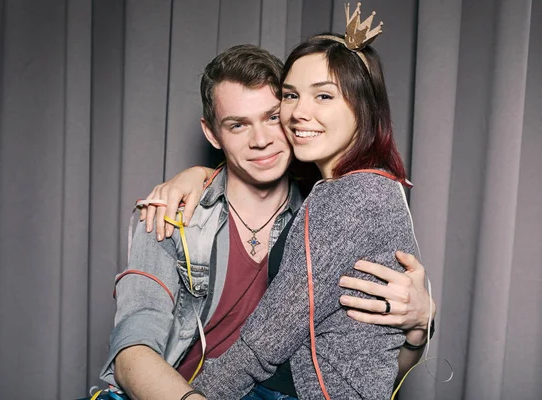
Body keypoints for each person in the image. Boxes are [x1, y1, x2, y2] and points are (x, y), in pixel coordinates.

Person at [100, 40, 433, 400]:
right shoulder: (173, 215)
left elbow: (366, 367)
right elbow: (132, 352)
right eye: (238, 125)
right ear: (212, 134)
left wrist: (419, 327)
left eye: (272, 117)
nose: (261, 140)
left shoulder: (328, 208)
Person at [186, 15, 422, 400]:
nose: (298, 113)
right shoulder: (371, 187)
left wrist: (185, 395)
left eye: (324, 95)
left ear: (364, 106)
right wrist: (199, 175)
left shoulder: (351, 197)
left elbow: (263, 345)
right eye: (291, 95)